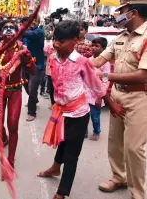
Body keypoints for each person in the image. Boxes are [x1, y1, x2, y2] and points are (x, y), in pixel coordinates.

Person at [37, 20, 107, 199]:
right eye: (55, 39)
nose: (56, 43)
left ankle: (62, 193)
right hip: (60, 110)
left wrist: (108, 102)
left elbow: (97, 87)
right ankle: (54, 168)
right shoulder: (52, 57)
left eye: (61, 40)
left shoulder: (82, 62)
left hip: (78, 114)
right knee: (62, 141)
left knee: (71, 154)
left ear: (75, 40)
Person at [92, 0, 147, 199]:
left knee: (134, 148)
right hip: (118, 94)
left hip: (139, 96)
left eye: (122, 11)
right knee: (115, 143)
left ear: (134, 13)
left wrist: (106, 75)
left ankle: (138, 192)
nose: (118, 15)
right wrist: (77, 64)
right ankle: (119, 177)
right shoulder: (121, 35)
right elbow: (101, 58)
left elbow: (143, 74)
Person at [0, 20, 36, 167]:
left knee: (13, 124)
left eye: (12, 28)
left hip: (15, 91)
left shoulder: (22, 49)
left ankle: (10, 160)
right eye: (5, 28)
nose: (8, 30)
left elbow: (32, 72)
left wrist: (27, 60)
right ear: (0, 33)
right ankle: (4, 138)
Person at [86, 37, 111, 141]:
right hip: (86, 93)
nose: (94, 48)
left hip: (97, 94)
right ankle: (84, 132)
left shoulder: (106, 63)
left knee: (95, 116)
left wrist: (101, 97)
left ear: (104, 49)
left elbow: (106, 79)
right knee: (84, 115)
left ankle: (97, 132)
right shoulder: (89, 60)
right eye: (93, 46)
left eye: (97, 46)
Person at [22, 19, 45, 121]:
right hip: (25, 64)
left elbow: (29, 34)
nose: (32, 23)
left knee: (32, 88)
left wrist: (20, 29)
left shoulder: (38, 32)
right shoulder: (26, 33)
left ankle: (32, 112)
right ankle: (34, 99)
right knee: (25, 85)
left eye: (34, 20)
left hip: (37, 65)